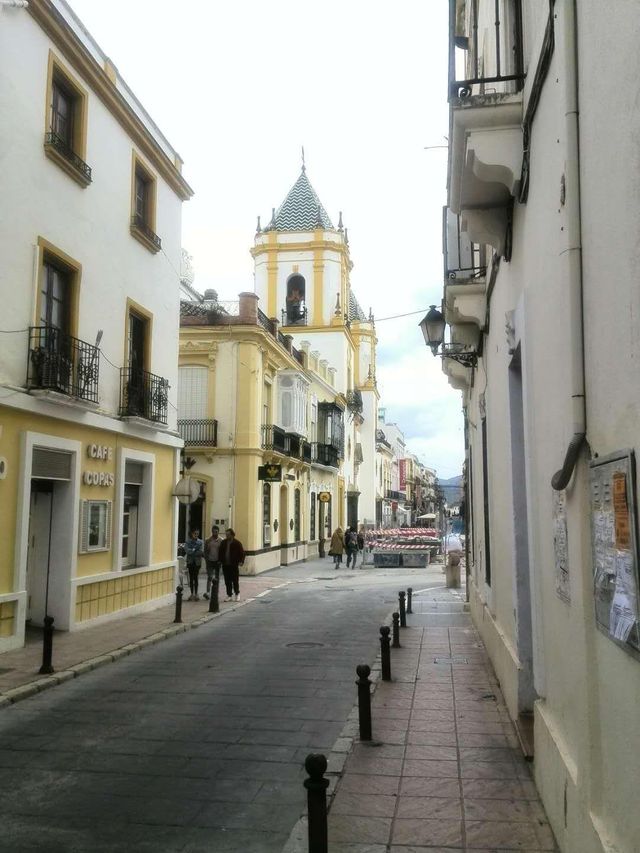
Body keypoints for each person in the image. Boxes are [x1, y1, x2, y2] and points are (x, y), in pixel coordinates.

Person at [218, 528, 245, 601]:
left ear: (232, 535)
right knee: (227, 580)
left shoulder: (237, 543)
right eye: (226, 534)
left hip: (234, 564)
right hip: (225, 564)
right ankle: (229, 594)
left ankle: (237, 593)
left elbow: (242, 553)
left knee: (235, 580)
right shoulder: (223, 542)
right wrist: (220, 560)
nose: (227, 536)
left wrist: (241, 561)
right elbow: (220, 552)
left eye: (228, 535)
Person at [184, 529, 204, 601]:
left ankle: (196, 594)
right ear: (192, 534)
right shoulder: (188, 542)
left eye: (197, 534)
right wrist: (195, 549)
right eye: (195, 533)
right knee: (191, 578)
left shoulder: (200, 542)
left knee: (196, 578)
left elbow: (201, 552)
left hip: (197, 563)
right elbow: (187, 551)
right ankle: (192, 593)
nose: (196, 535)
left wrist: (192, 550)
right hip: (190, 562)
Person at [203, 525, 222, 600]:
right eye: (213, 532)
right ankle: (208, 592)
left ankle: (216, 592)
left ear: (218, 532)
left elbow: (222, 552)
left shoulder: (221, 540)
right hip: (210, 561)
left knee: (217, 578)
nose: (215, 533)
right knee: (210, 577)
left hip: (217, 562)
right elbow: (205, 551)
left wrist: (220, 560)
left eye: (216, 532)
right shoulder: (208, 540)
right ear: (212, 532)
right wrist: (206, 559)